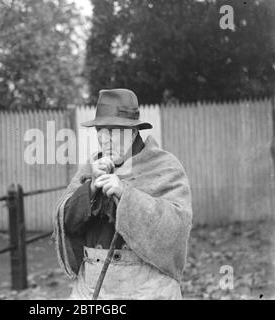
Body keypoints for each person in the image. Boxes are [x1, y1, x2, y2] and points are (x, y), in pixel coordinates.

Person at [53, 88, 193, 299]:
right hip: (91, 290)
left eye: (114, 131)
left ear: (134, 132)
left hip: (147, 288)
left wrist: (124, 193)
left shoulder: (164, 167)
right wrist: (90, 189)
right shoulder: (91, 168)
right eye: (100, 130)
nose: (105, 139)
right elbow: (65, 223)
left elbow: (176, 228)